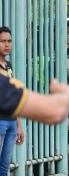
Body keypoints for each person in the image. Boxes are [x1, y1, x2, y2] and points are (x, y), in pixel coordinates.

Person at [0, 27, 24, 175]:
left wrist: (19, 124)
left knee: (5, 165)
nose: (7, 45)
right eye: (2, 41)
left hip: (11, 121)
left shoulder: (8, 66)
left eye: (9, 41)